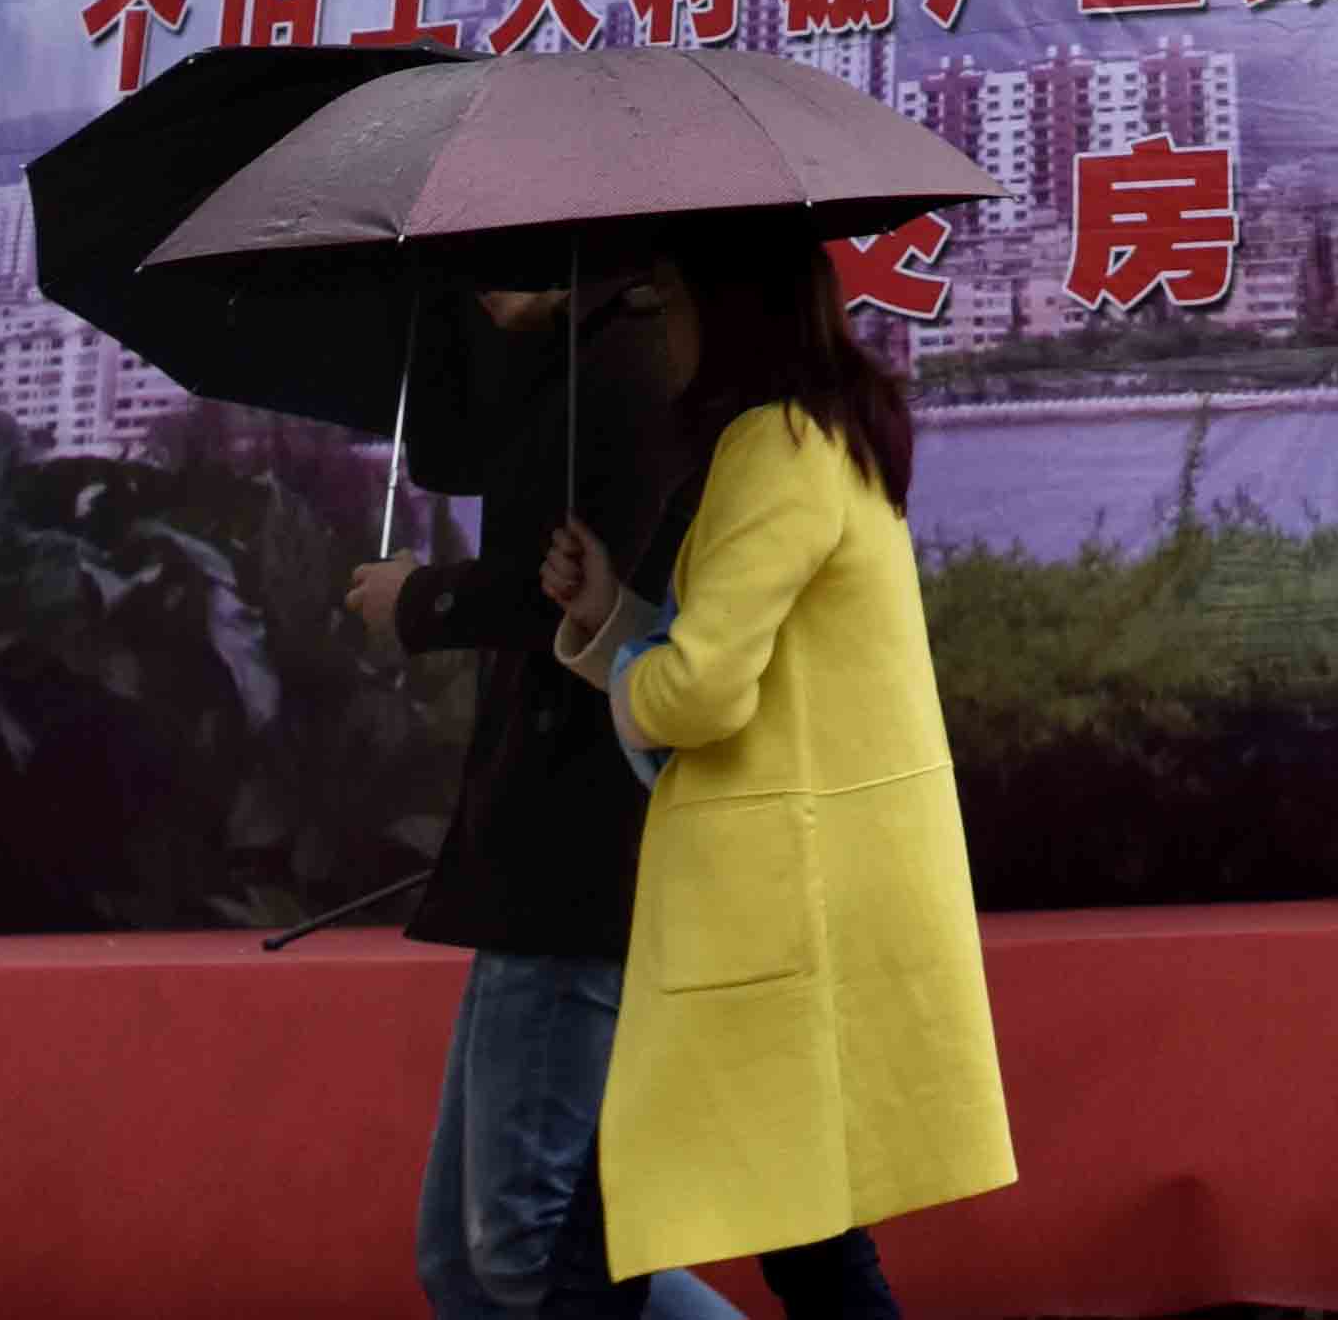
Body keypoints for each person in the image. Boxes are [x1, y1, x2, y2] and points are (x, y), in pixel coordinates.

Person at [547, 225, 1016, 1319]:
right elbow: (729, 664)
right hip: (793, 912)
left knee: (600, 1254)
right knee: (804, 1242)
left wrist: (628, 671)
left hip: (769, 917)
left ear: (727, 304)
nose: (661, 329)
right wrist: (612, 619)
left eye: (668, 300)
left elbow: (702, 691)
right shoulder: (828, 432)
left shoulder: (774, 443)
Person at [346, 266, 710, 1320]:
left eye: (498, 248)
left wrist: (418, 597)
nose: (479, 273)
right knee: (465, 1263)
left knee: (523, 1246)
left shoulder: (631, 364)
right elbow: (452, 451)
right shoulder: (567, 355)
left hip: (575, 842)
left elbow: (568, 589)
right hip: (528, 839)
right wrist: (443, 303)